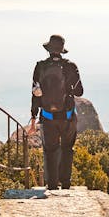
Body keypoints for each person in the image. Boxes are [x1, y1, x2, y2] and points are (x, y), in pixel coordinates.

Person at [28, 35, 83, 190]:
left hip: (48, 117)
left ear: (49, 50)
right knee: (67, 148)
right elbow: (80, 91)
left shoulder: (40, 66)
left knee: (50, 150)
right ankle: (65, 184)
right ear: (62, 50)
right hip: (67, 117)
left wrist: (33, 119)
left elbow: (35, 94)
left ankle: (52, 185)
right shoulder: (71, 66)